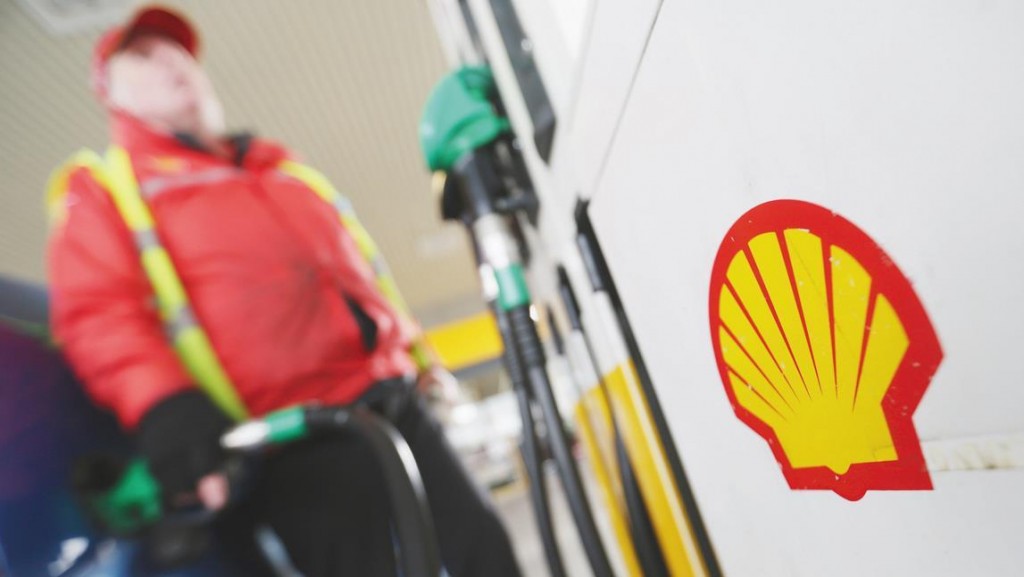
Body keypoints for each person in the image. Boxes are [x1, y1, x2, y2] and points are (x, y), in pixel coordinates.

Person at [46, 6, 522, 576]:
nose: (171, 65)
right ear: (110, 94)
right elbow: (99, 312)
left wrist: (422, 364)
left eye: (179, 55)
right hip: (296, 443)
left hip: (398, 404)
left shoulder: (282, 173)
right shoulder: (107, 189)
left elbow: (369, 284)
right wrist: (164, 406)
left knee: (485, 552)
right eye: (144, 58)